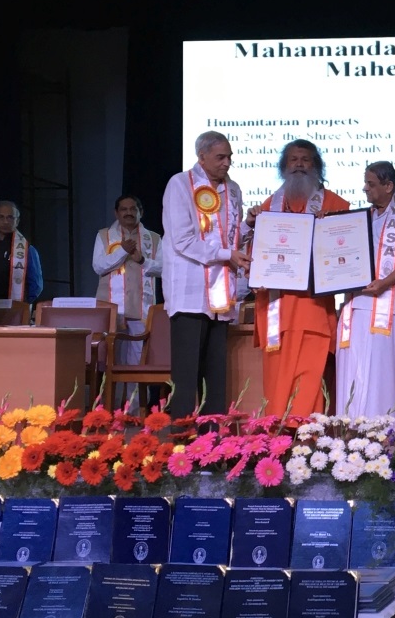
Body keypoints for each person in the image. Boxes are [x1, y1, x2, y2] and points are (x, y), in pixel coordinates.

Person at [245, 139, 349, 417]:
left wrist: (331, 226)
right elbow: (254, 252)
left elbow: (346, 252)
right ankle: (277, 430)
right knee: (277, 376)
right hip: (277, 308)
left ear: (317, 166)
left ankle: (307, 432)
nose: (299, 165)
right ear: (284, 166)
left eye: (306, 159)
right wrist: (252, 225)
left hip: (312, 308)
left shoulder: (335, 204)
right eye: (293, 159)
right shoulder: (269, 206)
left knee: (310, 374)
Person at [162, 131, 252, 418]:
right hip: (190, 292)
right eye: (220, 157)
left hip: (221, 294)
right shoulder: (180, 184)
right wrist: (227, 255)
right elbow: (183, 240)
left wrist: (249, 225)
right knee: (187, 374)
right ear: (201, 157)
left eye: (229, 157)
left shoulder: (233, 189)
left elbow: (231, 238)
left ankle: (213, 436)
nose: (227, 163)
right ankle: (182, 435)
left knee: (216, 374)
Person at [336, 161, 395, 421]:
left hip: (391, 309)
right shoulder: (363, 217)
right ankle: (352, 430)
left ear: (388, 186)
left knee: (383, 374)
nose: (365, 188)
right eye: (365, 183)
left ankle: (386, 432)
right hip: (358, 306)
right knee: (354, 370)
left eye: (371, 184)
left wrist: (385, 283)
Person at [92, 194, 162, 408]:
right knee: (109, 362)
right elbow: (98, 266)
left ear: (141, 212)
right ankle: (107, 411)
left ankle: (133, 412)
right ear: (116, 213)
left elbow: (164, 269)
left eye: (133, 209)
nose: (129, 213)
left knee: (136, 363)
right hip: (112, 310)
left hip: (142, 310)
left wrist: (142, 260)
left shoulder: (154, 238)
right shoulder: (104, 236)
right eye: (124, 209)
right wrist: (122, 250)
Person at [0, 201, 43, 303]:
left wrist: (22, 304)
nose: (5, 221)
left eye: (10, 217)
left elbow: (36, 285)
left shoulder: (27, 250)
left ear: (17, 221)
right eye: (1, 217)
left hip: (13, 307)